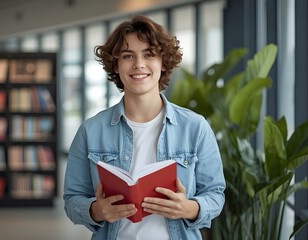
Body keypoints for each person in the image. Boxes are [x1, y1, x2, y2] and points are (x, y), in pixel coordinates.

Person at [63, 15, 225, 240]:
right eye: (128, 56)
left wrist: (189, 208)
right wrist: (96, 211)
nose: (138, 64)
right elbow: (72, 199)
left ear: (163, 62)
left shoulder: (195, 128)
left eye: (149, 54)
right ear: (116, 65)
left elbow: (215, 194)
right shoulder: (91, 131)